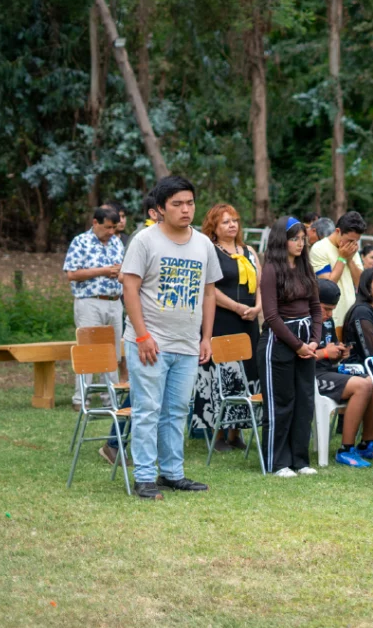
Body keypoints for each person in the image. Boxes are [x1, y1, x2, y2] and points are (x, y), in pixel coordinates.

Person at [121, 175, 219, 500]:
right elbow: (130, 288)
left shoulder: (203, 243)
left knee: (177, 410)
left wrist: (206, 337)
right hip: (150, 343)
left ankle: (172, 474)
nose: (185, 209)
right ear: (160, 209)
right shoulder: (145, 241)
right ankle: (145, 478)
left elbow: (208, 293)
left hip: (188, 344)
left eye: (189, 202)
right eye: (176, 204)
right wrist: (142, 335)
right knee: (148, 409)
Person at [192, 203, 262, 450]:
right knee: (223, 372)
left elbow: (260, 283)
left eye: (234, 220)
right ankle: (219, 433)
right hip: (222, 319)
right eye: (225, 221)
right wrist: (236, 307)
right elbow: (208, 288)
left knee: (246, 372)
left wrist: (257, 308)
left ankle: (236, 431)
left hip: (249, 322)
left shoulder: (249, 251)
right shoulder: (209, 251)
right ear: (213, 226)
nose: (232, 225)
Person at [257, 217, 322, 477]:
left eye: (302, 238)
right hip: (279, 343)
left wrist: (314, 340)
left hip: (307, 341)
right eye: (294, 238)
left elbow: (316, 308)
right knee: (281, 402)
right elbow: (271, 316)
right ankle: (278, 461)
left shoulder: (306, 267)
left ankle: (299, 460)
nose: (300, 243)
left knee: (304, 401)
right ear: (281, 240)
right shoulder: (272, 269)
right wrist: (297, 346)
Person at [309, 279, 373, 467]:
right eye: (325, 309)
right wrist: (325, 353)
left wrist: (338, 353)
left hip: (330, 371)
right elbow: (296, 356)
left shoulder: (326, 322)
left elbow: (330, 351)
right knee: (361, 386)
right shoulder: (303, 321)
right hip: (311, 376)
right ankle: (345, 450)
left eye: (332, 309)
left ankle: (366, 444)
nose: (329, 314)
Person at [63, 205, 124, 434]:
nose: (111, 231)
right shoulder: (81, 242)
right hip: (89, 300)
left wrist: (119, 272)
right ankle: (81, 398)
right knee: (89, 351)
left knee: (112, 351)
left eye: (114, 228)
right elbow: (72, 273)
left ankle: (110, 397)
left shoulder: (117, 242)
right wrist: (103, 270)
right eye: (107, 227)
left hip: (114, 300)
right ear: (95, 223)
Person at [310, 210, 367, 327]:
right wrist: (342, 258)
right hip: (330, 318)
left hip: (351, 316)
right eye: (350, 240)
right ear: (338, 231)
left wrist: (350, 259)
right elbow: (328, 286)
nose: (353, 244)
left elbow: (361, 283)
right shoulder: (319, 248)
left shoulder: (352, 249)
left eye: (356, 241)